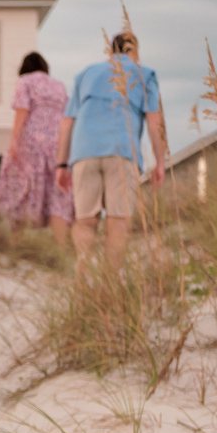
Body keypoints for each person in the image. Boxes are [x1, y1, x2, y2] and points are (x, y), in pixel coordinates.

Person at [55, 31, 166, 271]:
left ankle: (83, 274)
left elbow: (67, 123)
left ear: (111, 50)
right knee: (118, 220)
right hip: (121, 151)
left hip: (83, 151)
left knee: (85, 221)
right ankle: (111, 279)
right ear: (134, 51)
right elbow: (154, 121)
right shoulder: (145, 75)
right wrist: (160, 162)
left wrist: (61, 164)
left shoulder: (86, 74)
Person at [0, 52, 72, 245]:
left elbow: (22, 111)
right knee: (56, 196)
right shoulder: (59, 86)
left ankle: (17, 242)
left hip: (31, 143)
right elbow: (67, 117)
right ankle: (60, 248)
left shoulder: (25, 82)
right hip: (57, 145)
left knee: (21, 191)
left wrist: (14, 142)